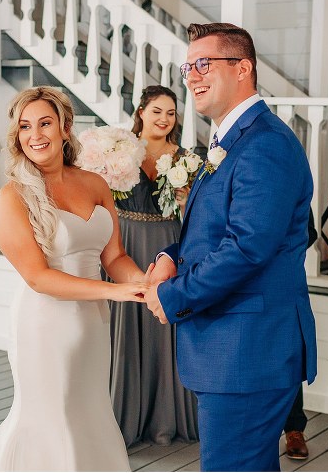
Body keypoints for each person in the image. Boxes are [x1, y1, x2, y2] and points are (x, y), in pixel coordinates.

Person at [144, 22, 317, 472]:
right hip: (232, 347)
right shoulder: (228, 140)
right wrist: (168, 257)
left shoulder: (265, 145)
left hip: (248, 350)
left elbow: (246, 249)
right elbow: (209, 230)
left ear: (243, 69)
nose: (192, 76)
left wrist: (173, 296)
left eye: (205, 63)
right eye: (188, 66)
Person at [0, 87, 148, 472]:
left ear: (65, 128)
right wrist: (116, 291)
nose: (35, 134)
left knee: (90, 413)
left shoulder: (95, 184)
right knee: (51, 418)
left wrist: (144, 283)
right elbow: (38, 278)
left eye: (45, 123)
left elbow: (114, 256)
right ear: (17, 137)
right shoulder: (12, 197)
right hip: (43, 323)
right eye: (25, 127)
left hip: (94, 322)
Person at [109, 84, 199, 446]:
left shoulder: (186, 158)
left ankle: (167, 415)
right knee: (127, 324)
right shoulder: (119, 149)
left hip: (166, 243)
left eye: (171, 113)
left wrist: (186, 198)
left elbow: (198, 212)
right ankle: (124, 412)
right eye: (157, 110)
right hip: (126, 242)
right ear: (141, 111)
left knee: (165, 327)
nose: (164, 119)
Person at [283, 209, 318, 461]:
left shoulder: (290, 170)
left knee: (289, 347)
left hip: (282, 271)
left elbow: (309, 231)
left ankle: (295, 429)